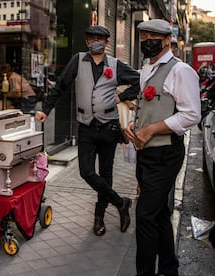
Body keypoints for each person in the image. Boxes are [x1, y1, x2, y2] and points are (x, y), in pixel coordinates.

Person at [35, 25, 140, 236]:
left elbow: (139, 81)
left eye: (100, 39)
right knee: (86, 171)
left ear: (107, 43)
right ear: (87, 41)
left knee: (106, 174)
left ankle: (99, 217)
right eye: (92, 38)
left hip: (109, 126)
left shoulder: (116, 65)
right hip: (85, 127)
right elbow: (60, 86)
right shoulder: (78, 60)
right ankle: (121, 203)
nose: (95, 42)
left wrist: (122, 96)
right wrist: (45, 110)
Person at [123, 19, 201, 275]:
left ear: (168, 39)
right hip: (147, 152)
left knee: (145, 215)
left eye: (153, 36)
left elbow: (191, 115)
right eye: (143, 36)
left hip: (166, 153)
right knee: (157, 214)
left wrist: (152, 129)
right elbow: (148, 107)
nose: (147, 40)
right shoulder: (146, 69)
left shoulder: (181, 71)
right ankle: (169, 268)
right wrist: (135, 126)